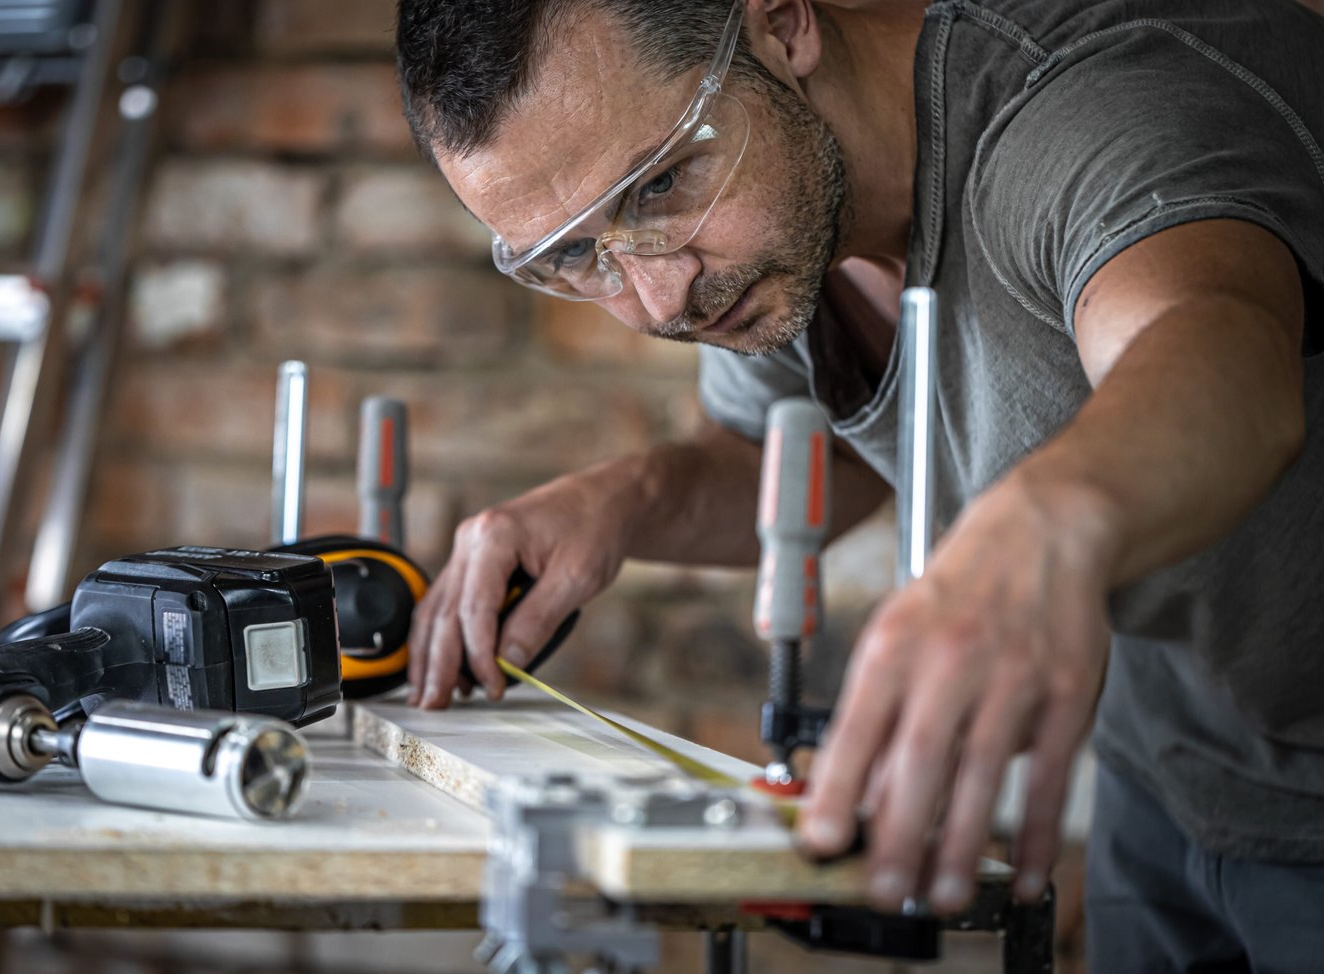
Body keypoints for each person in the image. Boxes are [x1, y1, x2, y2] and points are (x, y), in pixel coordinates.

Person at [394, 0, 1324, 967]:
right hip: (1172, 771)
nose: (661, 300)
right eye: (579, 254)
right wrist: (624, 499)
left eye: (662, 182)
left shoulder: (1089, 109)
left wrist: (1046, 525)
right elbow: (820, 460)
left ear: (783, 25)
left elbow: (1227, 355)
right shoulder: (783, 231)